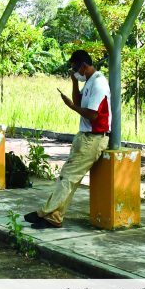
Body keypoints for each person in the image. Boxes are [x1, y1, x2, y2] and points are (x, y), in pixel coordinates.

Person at [24, 49, 111, 229]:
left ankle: (46, 213)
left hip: (94, 137)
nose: (74, 72)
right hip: (86, 136)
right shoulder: (89, 81)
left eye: (75, 69)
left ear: (84, 66)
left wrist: (71, 107)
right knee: (67, 177)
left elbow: (92, 115)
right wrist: (74, 83)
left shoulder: (99, 83)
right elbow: (79, 102)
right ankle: (53, 215)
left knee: (68, 178)